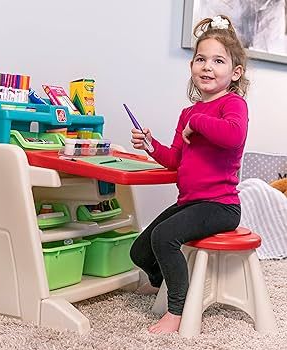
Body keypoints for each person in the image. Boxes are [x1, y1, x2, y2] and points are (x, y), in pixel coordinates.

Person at [129, 15, 249, 334]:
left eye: (218, 61)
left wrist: (199, 123)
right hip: (191, 202)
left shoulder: (233, 105)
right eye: (201, 59)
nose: (207, 67)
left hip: (220, 206)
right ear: (192, 66)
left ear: (235, 72)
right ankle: (163, 283)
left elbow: (233, 136)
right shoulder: (189, 113)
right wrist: (151, 145)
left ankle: (177, 311)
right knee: (140, 250)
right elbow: (175, 160)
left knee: (164, 237)